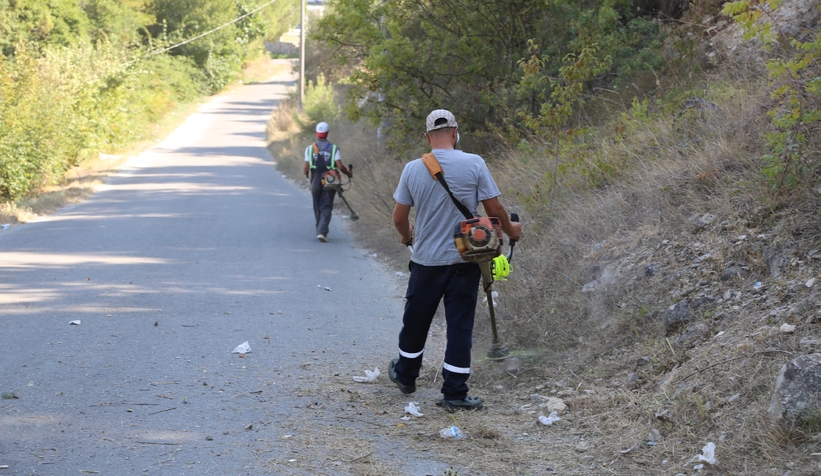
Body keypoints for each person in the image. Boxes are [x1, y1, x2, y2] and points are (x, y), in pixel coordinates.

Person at [389, 109, 522, 411]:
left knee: (416, 320)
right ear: (455, 132)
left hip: (425, 261)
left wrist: (405, 235)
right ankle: (455, 394)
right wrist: (512, 228)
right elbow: (495, 208)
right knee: (459, 325)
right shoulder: (474, 163)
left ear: (428, 137)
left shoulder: (412, 168)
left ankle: (406, 376)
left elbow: (399, 217)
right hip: (466, 258)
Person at [303, 122, 352, 242]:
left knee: (317, 204)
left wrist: (307, 176)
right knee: (326, 205)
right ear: (327, 133)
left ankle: (319, 229)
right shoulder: (334, 148)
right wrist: (349, 173)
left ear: (316, 133)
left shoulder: (309, 149)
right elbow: (340, 166)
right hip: (329, 179)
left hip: (315, 180)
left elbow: (306, 168)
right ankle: (322, 231)